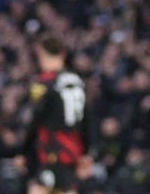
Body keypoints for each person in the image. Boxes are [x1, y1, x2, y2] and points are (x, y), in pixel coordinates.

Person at [15, 36, 93, 194]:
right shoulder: (77, 80)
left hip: (54, 147)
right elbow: (86, 118)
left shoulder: (43, 83)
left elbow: (35, 120)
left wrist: (23, 151)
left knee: (40, 189)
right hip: (74, 148)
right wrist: (87, 151)